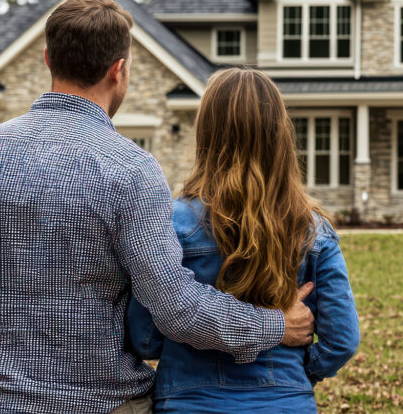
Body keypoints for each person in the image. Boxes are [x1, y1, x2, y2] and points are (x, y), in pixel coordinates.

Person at [0, 0, 315, 414]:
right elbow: (176, 308)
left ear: (49, 58)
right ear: (117, 70)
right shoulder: (131, 170)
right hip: (105, 403)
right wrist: (273, 325)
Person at [127, 67, 359, 413]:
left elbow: (144, 336)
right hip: (286, 403)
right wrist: (296, 372)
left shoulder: (170, 224)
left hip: (190, 402)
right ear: (279, 134)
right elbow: (342, 338)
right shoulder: (313, 230)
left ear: (206, 133)